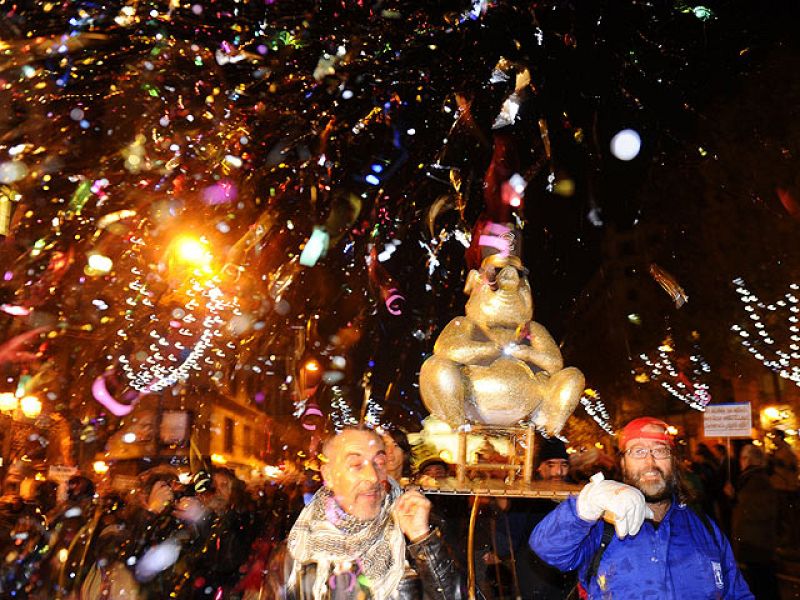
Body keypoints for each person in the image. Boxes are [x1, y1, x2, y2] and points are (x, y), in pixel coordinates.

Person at [530, 416, 753, 599]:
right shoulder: (601, 527)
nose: (650, 462)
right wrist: (583, 508)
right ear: (623, 463)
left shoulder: (705, 527)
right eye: (638, 451)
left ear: (673, 461)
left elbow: (737, 593)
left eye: (660, 450)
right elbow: (548, 549)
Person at [267, 427, 464, 600]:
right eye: (356, 465)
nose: (372, 476)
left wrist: (423, 541)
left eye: (379, 462)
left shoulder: (414, 535)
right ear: (329, 475)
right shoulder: (296, 551)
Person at [730, 444, 779, 599]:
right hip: (754, 541)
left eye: (742, 459)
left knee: (762, 583)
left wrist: (740, 503)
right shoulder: (750, 480)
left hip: (757, 542)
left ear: (748, 460)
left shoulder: (756, 480)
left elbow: (761, 510)